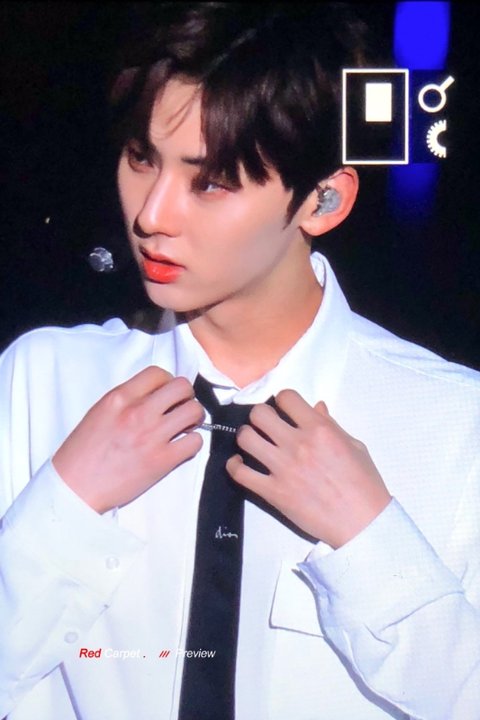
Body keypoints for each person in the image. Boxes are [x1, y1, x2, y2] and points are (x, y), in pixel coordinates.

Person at [1, 3, 480, 719]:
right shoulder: (42, 380)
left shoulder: (454, 425)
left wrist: (374, 543)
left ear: (322, 201)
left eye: (212, 181)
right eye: (142, 158)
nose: (152, 215)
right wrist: (62, 508)